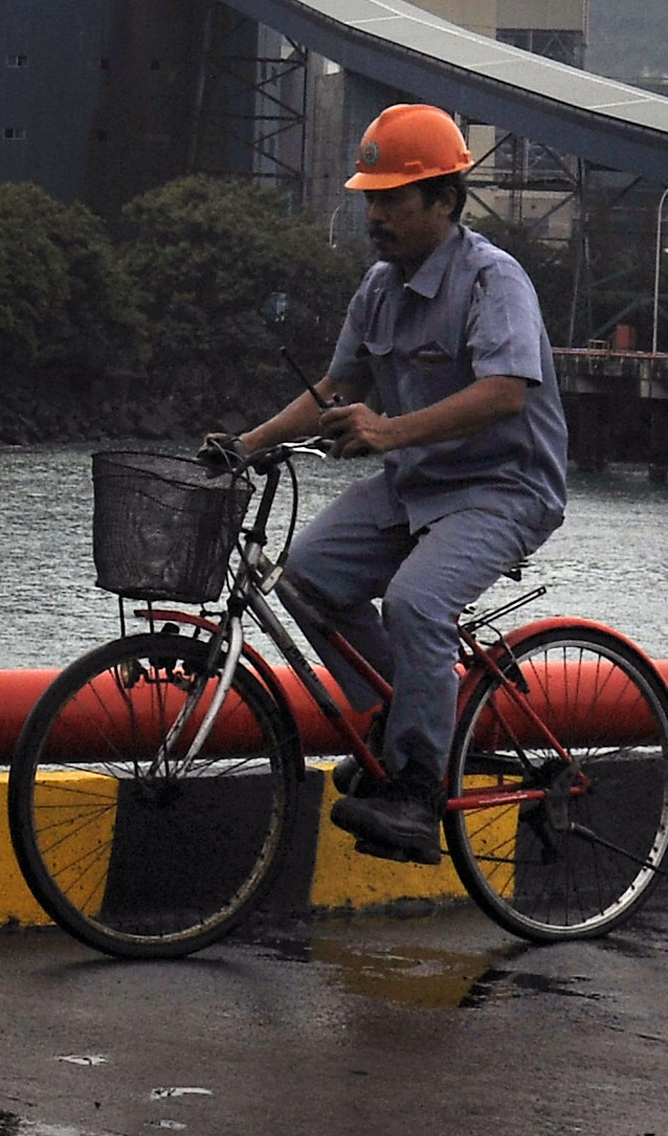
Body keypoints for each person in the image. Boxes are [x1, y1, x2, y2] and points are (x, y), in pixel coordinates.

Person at [211, 102, 571, 865]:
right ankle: (389, 713)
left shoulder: (492, 280)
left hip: (503, 488)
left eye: (391, 198)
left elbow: (506, 391)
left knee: (416, 601)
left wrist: (388, 431)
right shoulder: (378, 286)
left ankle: (418, 782)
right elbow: (335, 388)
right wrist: (244, 446)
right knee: (305, 575)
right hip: (417, 483)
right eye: (369, 197)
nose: (375, 213)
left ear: (443, 200)